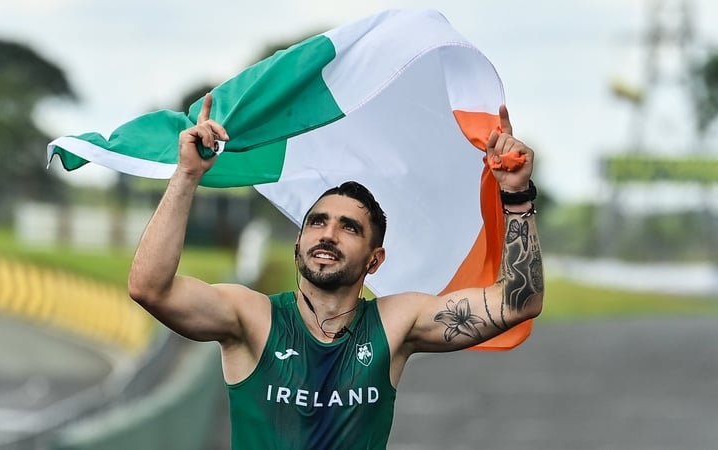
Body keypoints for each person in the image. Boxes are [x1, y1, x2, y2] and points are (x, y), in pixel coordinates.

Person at [128, 92, 544, 449]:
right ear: (298, 244)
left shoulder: (396, 324)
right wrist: (186, 175)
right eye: (317, 222)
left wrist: (516, 193)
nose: (328, 234)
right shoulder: (252, 318)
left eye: (349, 228)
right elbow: (150, 288)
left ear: (374, 260)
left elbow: (517, 302)